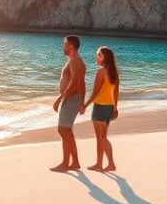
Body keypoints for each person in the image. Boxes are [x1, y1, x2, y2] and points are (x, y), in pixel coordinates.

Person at [80, 46, 119, 172]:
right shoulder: (114, 73)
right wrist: (115, 108)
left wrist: (85, 105)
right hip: (109, 107)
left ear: (105, 58)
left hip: (100, 107)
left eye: (99, 55)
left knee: (102, 138)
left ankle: (111, 164)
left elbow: (95, 93)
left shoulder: (101, 72)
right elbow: (116, 93)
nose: (97, 57)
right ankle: (99, 164)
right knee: (100, 137)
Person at [50, 34, 86, 172]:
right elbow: (81, 83)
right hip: (73, 98)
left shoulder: (75, 60)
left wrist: (59, 99)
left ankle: (65, 163)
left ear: (71, 46)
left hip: (71, 99)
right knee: (67, 130)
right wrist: (82, 102)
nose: (63, 46)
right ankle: (75, 162)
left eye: (64, 44)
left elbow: (75, 82)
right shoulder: (73, 60)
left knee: (63, 129)